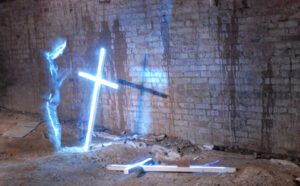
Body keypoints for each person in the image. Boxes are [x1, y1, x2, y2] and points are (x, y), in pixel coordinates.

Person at [42, 38, 69, 150]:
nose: (61, 52)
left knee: (55, 126)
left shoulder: (50, 62)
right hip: (48, 100)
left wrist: (63, 76)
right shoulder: (45, 62)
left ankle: (56, 148)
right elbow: (48, 81)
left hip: (51, 100)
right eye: (61, 48)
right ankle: (56, 150)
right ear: (56, 47)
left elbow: (54, 81)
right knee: (54, 127)